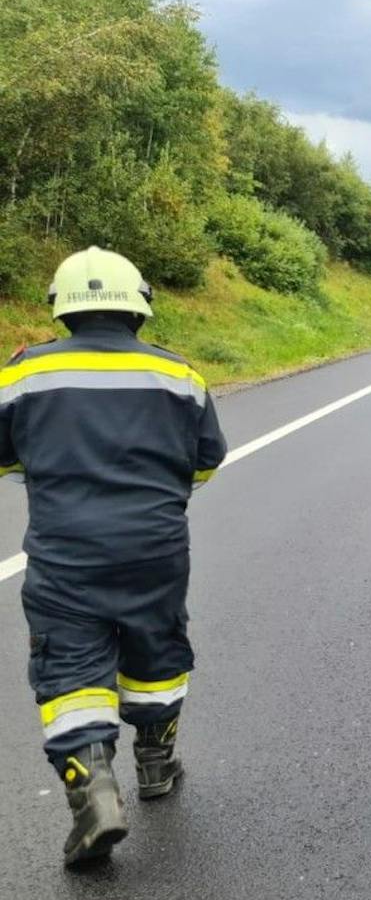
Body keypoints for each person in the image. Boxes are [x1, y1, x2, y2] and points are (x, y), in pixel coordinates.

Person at [0, 247, 227, 868]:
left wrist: (51, 480)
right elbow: (207, 459)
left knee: (71, 671)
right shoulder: (179, 375)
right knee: (156, 651)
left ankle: (94, 794)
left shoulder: (21, 375)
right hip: (156, 548)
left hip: (65, 553)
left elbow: (5, 455)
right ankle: (156, 765)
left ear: (61, 309)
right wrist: (158, 497)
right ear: (138, 308)